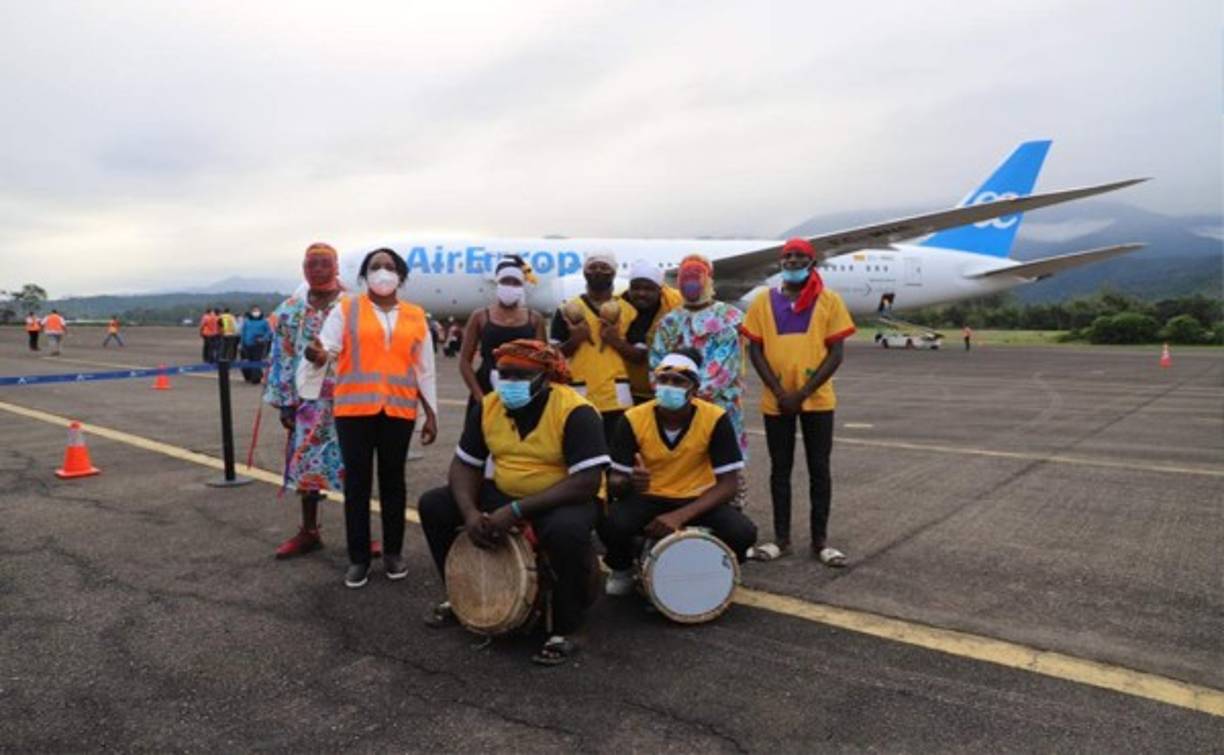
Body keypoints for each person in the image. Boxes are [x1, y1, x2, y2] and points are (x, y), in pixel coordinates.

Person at [419, 339, 607, 665]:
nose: (509, 383)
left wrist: (516, 511)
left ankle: (570, 626)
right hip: (506, 489)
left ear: (545, 378)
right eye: (503, 374)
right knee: (434, 505)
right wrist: (470, 511)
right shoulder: (488, 406)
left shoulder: (576, 411)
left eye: (520, 376)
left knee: (565, 532)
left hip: (564, 494)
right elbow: (465, 465)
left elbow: (586, 482)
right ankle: (461, 594)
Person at [312, 247, 439, 589]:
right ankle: (359, 558)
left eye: (389, 266)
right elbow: (327, 347)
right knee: (357, 484)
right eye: (375, 266)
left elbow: (424, 368)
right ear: (364, 275)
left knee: (393, 482)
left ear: (401, 275)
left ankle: (394, 552)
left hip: (398, 410)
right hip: (354, 411)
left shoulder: (415, 315)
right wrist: (318, 354)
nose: (382, 272)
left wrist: (431, 413)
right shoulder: (347, 308)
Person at [602, 349, 757, 596]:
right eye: (664, 380)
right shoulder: (632, 419)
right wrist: (630, 482)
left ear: (694, 389)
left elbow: (728, 484)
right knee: (612, 523)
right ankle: (622, 568)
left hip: (697, 496)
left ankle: (719, 567)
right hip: (650, 495)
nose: (669, 386)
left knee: (742, 532)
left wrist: (679, 516)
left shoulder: (715, 418)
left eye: (678, 381)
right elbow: (614, 481)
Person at [742, 238, 855, 566]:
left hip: (817, 400)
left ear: (812, 263)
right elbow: (755, 350)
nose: (791, 261)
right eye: (787, 256)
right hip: (776, 401)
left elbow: (836, 354)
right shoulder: (764, 301)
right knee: (780, 469)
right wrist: (780, 393)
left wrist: (801, 394)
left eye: (799, 256)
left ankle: (820, 541)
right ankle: (781, 539)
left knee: (820, 469)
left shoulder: (829, 301)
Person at [265, 244, 349, 560]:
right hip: (308, 404)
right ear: (303, 268)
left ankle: (361, 533)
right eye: (311, 264)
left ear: (336, 266)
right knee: (307, 465)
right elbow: (283, 357)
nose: (317, 269)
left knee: (355, 466)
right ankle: (309, 531)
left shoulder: (353, 307)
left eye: (324, 263)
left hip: (349, 400)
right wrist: (286, 403)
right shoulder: (291, 310)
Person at [649, 254, 749, 507]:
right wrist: (671, 394)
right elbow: (657, 364)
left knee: (724, 466)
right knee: (685, 465)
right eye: (685, 279)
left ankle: (729, 520)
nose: (690, 285)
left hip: (718, 406)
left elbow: (724, 366)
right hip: (676, 408)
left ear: (708, 281)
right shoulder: (670, 321)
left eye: (696, 279)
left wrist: (689, 396)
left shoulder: (728, 318)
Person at [550, 252, 637, 441]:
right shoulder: (567, 309)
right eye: (593, 267)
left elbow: (638, 357)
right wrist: (574, 340)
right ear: (584, 272)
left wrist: (616, 341)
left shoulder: (628, 310)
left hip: (616, 397)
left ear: (614, 273)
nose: (598, 271)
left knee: (615, 453)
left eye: (604, 268)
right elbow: (552, 356)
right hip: (579, 394)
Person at [458, 256, 546, 410]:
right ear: (497, 284)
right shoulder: (480, 316)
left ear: (522, 286)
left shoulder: (535, 318)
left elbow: (543, 362)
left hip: (523, 390)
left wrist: (533, 391)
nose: (510, 286)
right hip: (486, 387)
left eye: (516, 282)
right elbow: (465, 361)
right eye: (505, 281)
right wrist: (479, 396)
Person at [622, 260, 683, 404]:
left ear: (660, 289)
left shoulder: (677, 304)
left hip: (666, 391)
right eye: (636, 288)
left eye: (648, 289)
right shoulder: (618, 306)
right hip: (627, 392)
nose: (641, 293)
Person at [239, 306, 273, 384]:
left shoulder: (264, 322)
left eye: (257, 311)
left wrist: (263, 338)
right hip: (247, 344)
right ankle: (252, 375)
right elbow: (243, 333)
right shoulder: (247, 321)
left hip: (258, 344)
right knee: (249, 361)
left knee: (256, 360)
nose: (256, 312)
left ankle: (255, 378)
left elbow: (269, 332)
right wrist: (241, 343)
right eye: (254, 311)